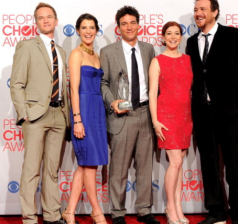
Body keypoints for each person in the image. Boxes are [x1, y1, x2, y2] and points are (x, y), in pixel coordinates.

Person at [186, 0, 238, 224]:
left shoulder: (233, 35)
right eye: (196, 10)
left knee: (234, 164)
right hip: (203, 113)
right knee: (209, 164)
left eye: (203, 9)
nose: (198, 13)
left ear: (215, 12)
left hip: (231, 112)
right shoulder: (190, 42)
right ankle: (215, 211)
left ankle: (237, 211)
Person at [10, 2, 70, 224]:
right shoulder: (26, 46)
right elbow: (16, 83)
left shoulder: (62, 51)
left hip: (58, 115)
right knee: (32, 169)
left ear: (55, 20)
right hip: (35, 116)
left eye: (49, 17)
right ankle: (29, 218)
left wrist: (67, 116)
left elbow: (63, 86)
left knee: (52, 170)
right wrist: (24, 113)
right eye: (41, 18)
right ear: (36, 23)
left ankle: (52, 215)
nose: (45, 20)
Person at [100, 5, 160, 224]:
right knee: (119, 167)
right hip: (121, 116)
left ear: (138, 25)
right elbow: (103, 82)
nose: (129, 27)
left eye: (132, 22)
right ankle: (117, 212)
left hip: (145, 112)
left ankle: (145, 210)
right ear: (118, 28)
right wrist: (111, 100)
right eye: (124, 23)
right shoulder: (108, 52)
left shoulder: (148, 49)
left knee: (145, 166)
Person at [61, 13, 108, 224]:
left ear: (96, 31)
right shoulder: (76, 54)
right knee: (89, 165)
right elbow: (74, 89)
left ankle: (69, 211)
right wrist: (77, 119)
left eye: (92, 27)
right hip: (84, 111)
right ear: (78, 30)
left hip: (98, 111)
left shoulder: (96, 56)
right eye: (84, 27)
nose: (88, 31)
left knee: (85, 165)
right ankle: (97, 211)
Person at [149, 21, 192, 224]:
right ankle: (170, 208)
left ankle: (178, 206)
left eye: (176, 33)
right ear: (163, 37)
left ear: (181, 37)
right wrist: (155, 121)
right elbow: (152, 94)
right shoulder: (158, 61)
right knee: (174, 162)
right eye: (169, 33)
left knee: (179, 164)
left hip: (185, 117)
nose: (173, 37)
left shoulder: (188, 60)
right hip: (167, 117)